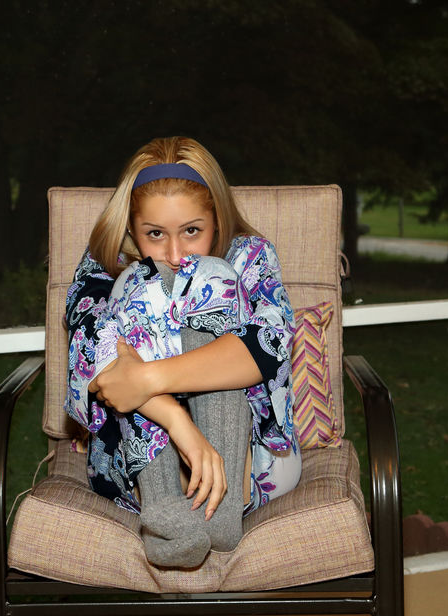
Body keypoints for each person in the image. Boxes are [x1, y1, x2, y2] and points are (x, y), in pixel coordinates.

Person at [65, 136, 301, 568]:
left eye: (192, 231)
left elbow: (269, 344)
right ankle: (164, 509)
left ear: (217, 220)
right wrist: (178, 423)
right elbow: (99, 361)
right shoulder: (104, 265)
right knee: (137, 283)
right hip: (133, 475)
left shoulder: (251, 255)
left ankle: (222, 511)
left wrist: (148, 378)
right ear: (131, 228)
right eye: (155, 234)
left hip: (253, 464)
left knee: (209, 276)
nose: (175, 254)